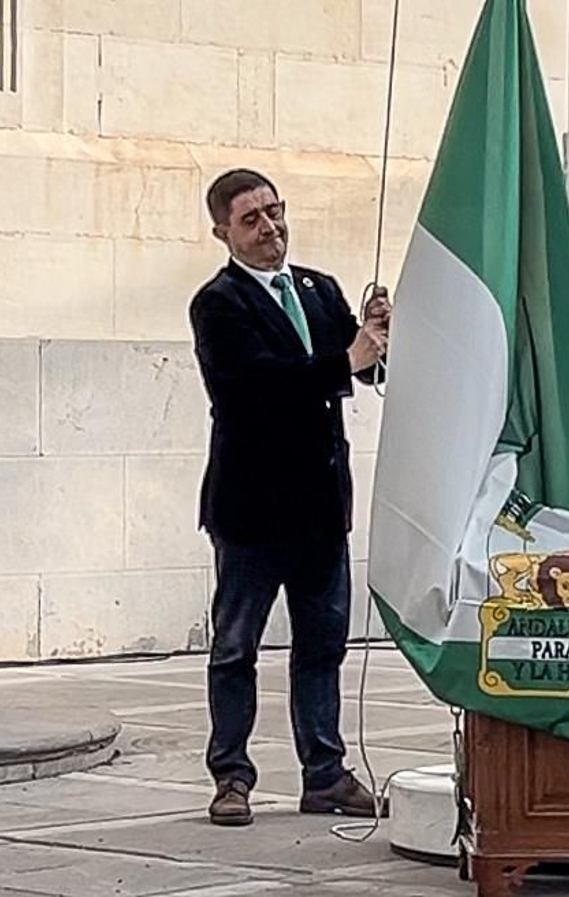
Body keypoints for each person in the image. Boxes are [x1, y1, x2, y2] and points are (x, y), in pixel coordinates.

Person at [188, 168, 391, 827]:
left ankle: (325, 773)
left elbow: (364, 365)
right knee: (235, 647)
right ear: (223, 232)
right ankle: (232, 776)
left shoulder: (317, 288)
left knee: (322, 646)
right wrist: (346, 361)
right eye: (251, 219)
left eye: (275, 212)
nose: (270, 227)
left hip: (320, 507)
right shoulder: (218, 303)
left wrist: (379, 336)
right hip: (251, 509)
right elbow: (250, 389)